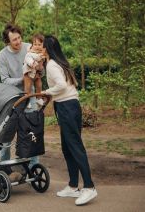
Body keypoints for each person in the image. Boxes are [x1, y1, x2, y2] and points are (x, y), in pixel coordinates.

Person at [41, 35, 97, 206]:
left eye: (42, 47)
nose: (41, 50)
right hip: (69, 107)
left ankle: (89, 187)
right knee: (67, 147)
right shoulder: (58, 62)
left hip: (67, 108)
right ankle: (73, 186)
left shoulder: (51, 65)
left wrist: (46, 92)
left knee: (75, 147)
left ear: (47, 49)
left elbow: (62, 86)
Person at [0, 23, 39, 169]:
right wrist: (23, 79)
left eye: (19, 38)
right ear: (8, 41)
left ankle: (33, 167)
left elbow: (39, 71)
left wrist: (38, 69)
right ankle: (4, 167)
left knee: (31, 132)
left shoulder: (29, 47)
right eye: (14, 40)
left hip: (30, 96)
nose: (18, 42)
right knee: (7, 135)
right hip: (13, 98)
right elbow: (5, 80)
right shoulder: (3, 55)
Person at [23, 33, 45, 108]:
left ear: (43, 45)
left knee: (39, 85)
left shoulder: (43, 53)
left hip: (37, 73)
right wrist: (32, 63)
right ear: (32, 45)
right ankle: (26, 101)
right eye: (35, 44)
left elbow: (43, 62)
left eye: (39, 44)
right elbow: (27, 59)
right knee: (28, 87)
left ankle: (39, 98)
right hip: (29, 73)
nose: (37, 46)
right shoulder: (30, 52)